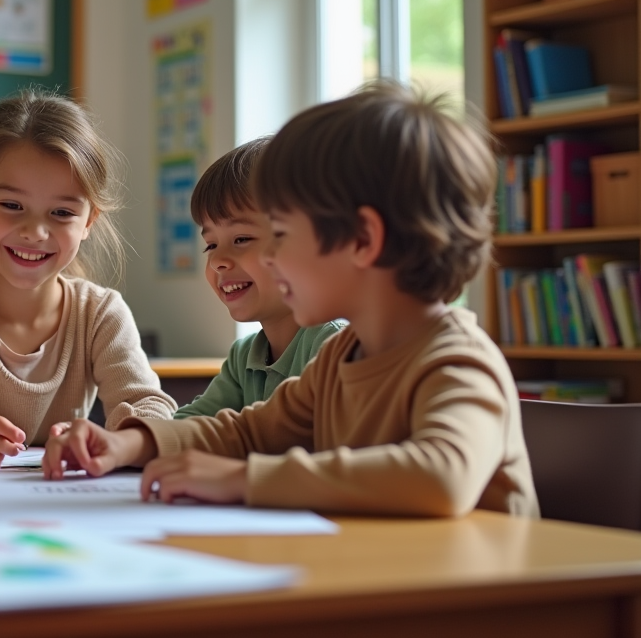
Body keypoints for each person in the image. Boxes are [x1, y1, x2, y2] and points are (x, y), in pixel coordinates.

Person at [43, 81, 539, 519]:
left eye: (280, 235)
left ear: (363, 240)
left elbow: (441, 476)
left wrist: (244, 480)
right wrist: (128, 443)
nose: (271, 257)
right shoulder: (342, 358)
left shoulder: (457, 360)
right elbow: (247, 433)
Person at [0, 90, 176, 470]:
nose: (35, 232)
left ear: (89, 221)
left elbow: (149, 406)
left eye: (61, 212)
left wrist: (124, 442)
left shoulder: (101, 314)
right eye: (12, 205)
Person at [176, 137, 343, 418]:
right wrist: (130, 437)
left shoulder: (333, 344)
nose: (216, 261)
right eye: (211, 245)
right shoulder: (243, 357)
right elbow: (192, 422)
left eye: (241, 239)